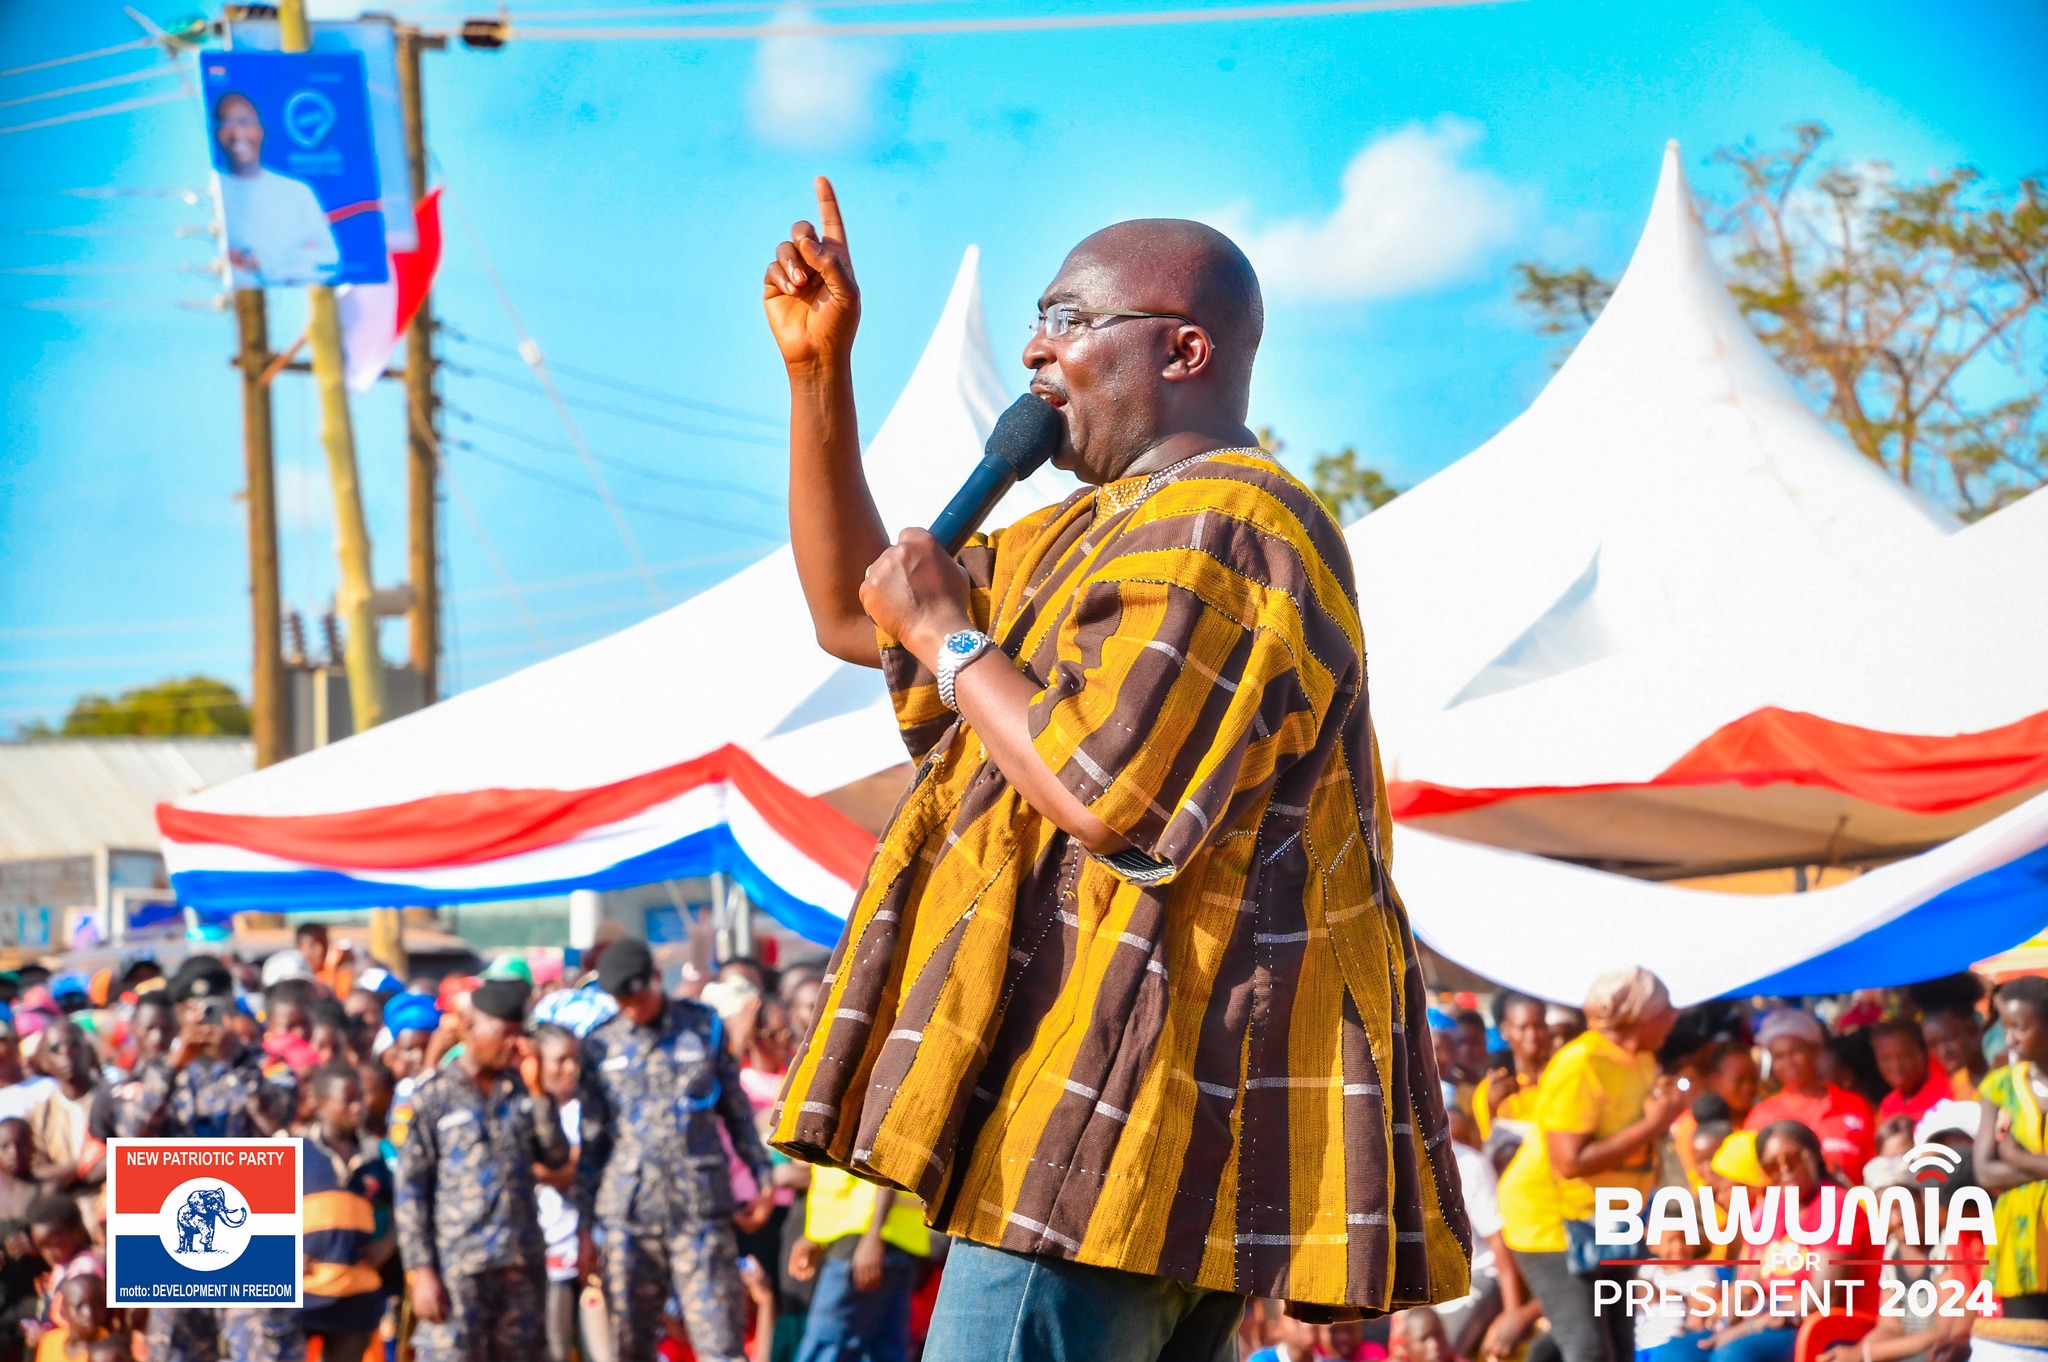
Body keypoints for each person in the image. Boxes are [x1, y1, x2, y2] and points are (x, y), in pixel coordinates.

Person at [763, 179, 1467, 1358]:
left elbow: (1110, 796)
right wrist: (817, 375)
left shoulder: (1233, 519)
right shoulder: (1098, 528)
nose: (1036, 349)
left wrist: (951, 639)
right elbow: (852, 609)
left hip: (1104, 1131)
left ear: (1183, 347)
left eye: (1069, 317)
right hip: (1103, 1148)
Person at [575, 939, 774, 1362]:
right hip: (629, 1220)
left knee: (720, 1342)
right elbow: (592, 1144)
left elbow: (735, 1111)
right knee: (633, 1345)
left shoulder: (704, 1027)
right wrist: (584, 1227)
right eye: (621, 1001)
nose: (632, 1008)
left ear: (654, 980)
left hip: (699, 1213)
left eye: (637, 996)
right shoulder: (599, 1046)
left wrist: (762, 1178)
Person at [1497, 967, 1684, 1362]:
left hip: (1609, 1216)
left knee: (1614, 1339)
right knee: (1589, 1349)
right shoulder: (1580, 1064)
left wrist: (1659, 1117)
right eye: (1666, 1007)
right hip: (1553, 1223)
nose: (1675, 1015)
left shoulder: (1643, 1060)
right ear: (1639, 1014)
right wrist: (1653, 1124)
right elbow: (1569, 1160)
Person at [395, 977, 569, 1362]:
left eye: (519, 1034)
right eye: (504, 1034)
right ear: (473, 1029)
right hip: (459, 1268)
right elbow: (410, 1192)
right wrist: (420, 1270)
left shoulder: (523, 1088)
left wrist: (540, 1092)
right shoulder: (433, 1096)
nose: (515, 1045)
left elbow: (555, 1156)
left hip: (519, 1262)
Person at [1707, 1120, 1877, 1362]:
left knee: (1732, 1356)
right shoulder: (1771, 1209)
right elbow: (1749, 1282)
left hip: (1825, 1326)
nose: (1784, 1169)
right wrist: (1726, 1316)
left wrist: (1749, 1327)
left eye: (1792, 1159)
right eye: (1772, 1165)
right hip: (1770, 1320)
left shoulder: (1838, 1205)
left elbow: (1821, 1297)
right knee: (1678, 1352)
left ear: (1814, 1156)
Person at [1973, 976, 2048, 1362]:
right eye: (2006, 1028)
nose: (2012, 1039)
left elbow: (2002, 1163)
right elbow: (1985, 1171)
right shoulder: (1999, 1086)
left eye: (2021, 1027)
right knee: (2028, 1346)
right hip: (2020, 1242)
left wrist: (2019, 1159)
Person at [788, 1164, 931, 1362]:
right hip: (886, 1238)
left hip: (865, 1240)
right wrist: (817, 1235)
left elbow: (885, 1161)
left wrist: (873, 1234)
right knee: (885, 1348)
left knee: (827, 1345)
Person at [211, 91, 340, 289]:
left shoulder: (298, 192)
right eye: (226, 125)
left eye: (244, 122)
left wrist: (266, 265)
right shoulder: (211, 193)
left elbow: (330, 261)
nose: (237, 134)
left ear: (260, 130)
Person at [1744, 1009, 1875, 1184]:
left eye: (1795, 1051)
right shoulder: (1761, 1117)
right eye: (1779, 1056)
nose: (1788, 1062)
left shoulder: (1854, 1106)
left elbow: (1873, 1173)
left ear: (1816, 1051)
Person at [526, 1025, 584, 1362]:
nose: (569, 1069)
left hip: (578, 1247)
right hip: (539, 1252)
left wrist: (529, 1167)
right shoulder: (523, 1106)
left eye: (573, 1059)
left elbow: (574, 1169)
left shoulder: (585, 1110)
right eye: (559, 1060)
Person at [1479, 994, 1552, 1141]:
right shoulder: (1492, 1090)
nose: (1532, 1035)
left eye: (1538, 1027)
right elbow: (1485, 1147)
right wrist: (1492, 1109)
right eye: (1523, 1027)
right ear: (1505, 1030)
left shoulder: (1560, 1078)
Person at [1873, 1020, 1951, 1128]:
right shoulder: (1887, 1107)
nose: (1897, 1066)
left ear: (1924, 1052)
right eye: (1886, 1059)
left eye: (1905, 1056)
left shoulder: (1947, 1092)